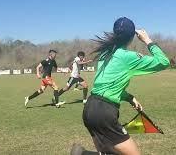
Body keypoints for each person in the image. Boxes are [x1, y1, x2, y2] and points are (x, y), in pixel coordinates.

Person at [71, 17, 170, 155]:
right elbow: (163, 61)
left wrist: (129, 97)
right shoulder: (128, 57)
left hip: (90, 107)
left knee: (108, 152)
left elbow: (105, 87)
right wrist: (147, 40)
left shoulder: (106, 53)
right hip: (104, 112)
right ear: (131, 38)